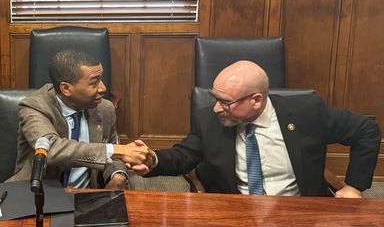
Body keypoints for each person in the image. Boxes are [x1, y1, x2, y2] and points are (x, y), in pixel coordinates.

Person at [133, 60, 381, 197]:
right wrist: (152, 159)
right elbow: (183, 156)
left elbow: (366, 130)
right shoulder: (209, 120)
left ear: (257, 100)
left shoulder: (306, 112)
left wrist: (353, 186)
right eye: (214, 98)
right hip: (236, 213)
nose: (217, 109)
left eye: (225, 102)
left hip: (301, 211)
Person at [7, 50, 151, 189]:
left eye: (101, 79)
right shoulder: (34, 106)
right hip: (38, 192)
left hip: (86, 195)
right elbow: (51, 150)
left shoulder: (105, 109)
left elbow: (114, 154)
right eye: (94, 83)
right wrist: (116, 150)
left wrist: (118, 175)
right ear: (66, 89)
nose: (103, 88)